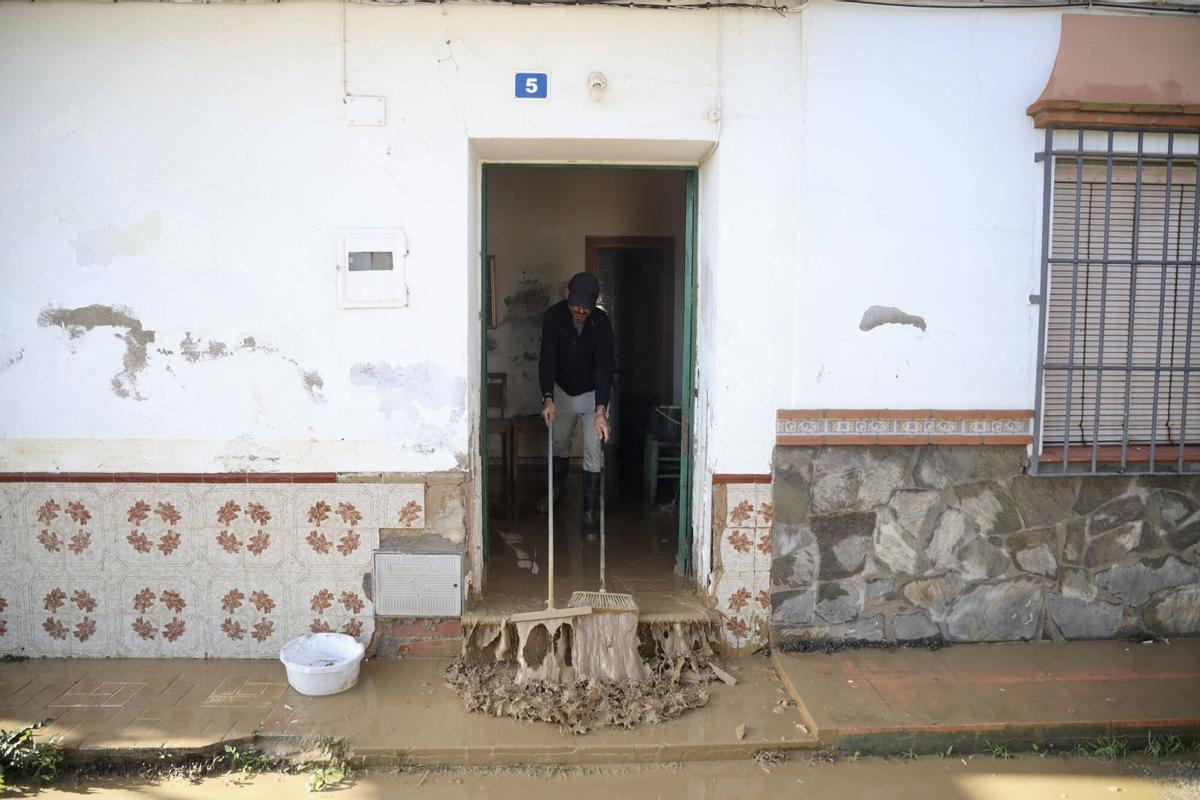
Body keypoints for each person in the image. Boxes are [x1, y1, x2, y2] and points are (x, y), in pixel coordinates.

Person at [537, 271, 615, 539]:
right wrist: (547, 397)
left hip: (594, 394)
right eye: (576, 305)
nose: (580, 311)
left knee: (594, 451)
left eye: (586, 307)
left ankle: (589, 513)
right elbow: (547, 359)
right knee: (558, 443)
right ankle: (555, 490)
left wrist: (601, 411)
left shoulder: (601, 322)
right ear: (567, 294)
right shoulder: (554, 317)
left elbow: (605, 368)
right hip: (561, 390)